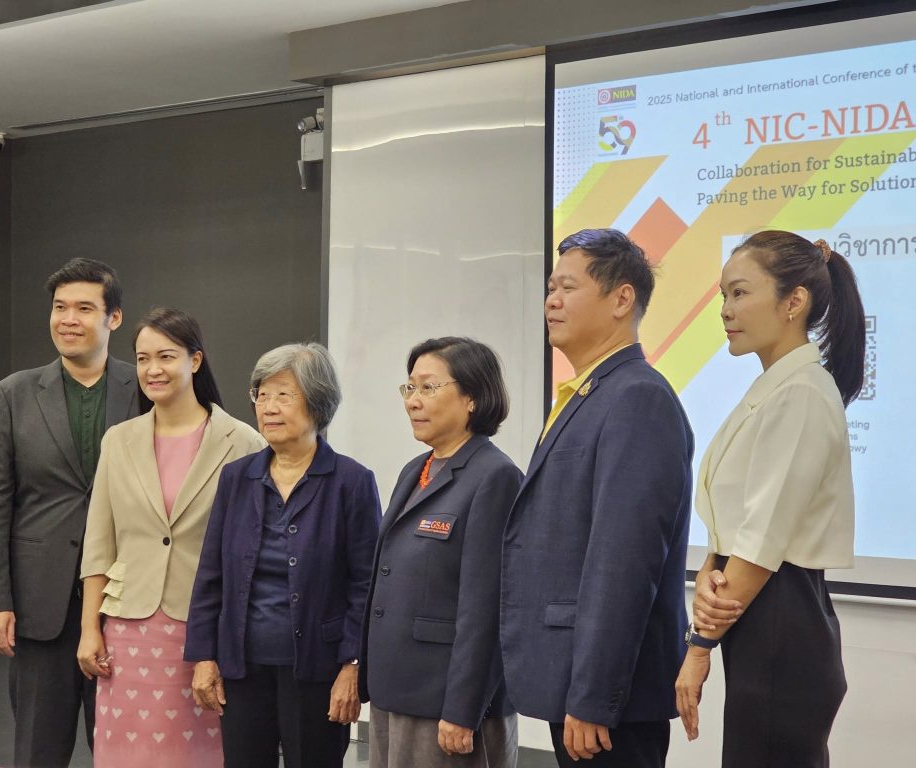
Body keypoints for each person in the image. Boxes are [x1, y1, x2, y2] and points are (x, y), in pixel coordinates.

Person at [499, 228, 694, 768]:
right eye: (550, 288)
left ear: (621, 299)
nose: (552, 301)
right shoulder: (589, 392)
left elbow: (623, 563)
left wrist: (594, 696)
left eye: (568, 287)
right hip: (574, 683)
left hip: (610, 703)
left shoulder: (637, 398)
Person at [675, 231, 865, 768]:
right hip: (763, 614)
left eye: (739, 293)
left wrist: (698, 646)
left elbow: (762, 539)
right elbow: (737, 522)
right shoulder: (777, 387)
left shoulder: (801, 392)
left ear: (793, 302)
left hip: (783, 616)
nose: (725, 310)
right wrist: (709, 572)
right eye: (723, 295)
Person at [77, 307, 265, 766]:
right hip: (127, 628)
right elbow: (99, 543)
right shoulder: (118, 440)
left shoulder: (243, 442)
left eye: (166, 356)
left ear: (195, 360)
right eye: (143, 359)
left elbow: (250, 554)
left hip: (204, 632)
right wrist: (89, 629)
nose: (152, 370)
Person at [0, 258, 140, 767]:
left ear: (113, 318)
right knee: (38, 750)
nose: (68, 319)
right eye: (60, 307)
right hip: (40, 603)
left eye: (84, 308)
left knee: (125, 749)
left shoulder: (146, 389)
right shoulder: (13, 394)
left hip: (128, 599)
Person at [184, 343, 380, 768]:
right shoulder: (237, 478)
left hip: (318, 670)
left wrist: (352, 665)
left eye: (284, 395)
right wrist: (204, 656)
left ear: (318, 402)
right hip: (242, 667)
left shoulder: (351, 482)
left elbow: (367, 585)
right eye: (262, 394)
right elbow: (211, 574)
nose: (268, 407)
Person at [360, 337, 522, 768]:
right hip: (395, 690)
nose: (413, 401)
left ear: (472, 398)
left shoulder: (495, 476)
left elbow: (486, 607)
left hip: (448, 702)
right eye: (409, 388)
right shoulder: (416, 469)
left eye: (428, 388)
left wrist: (462, 708)